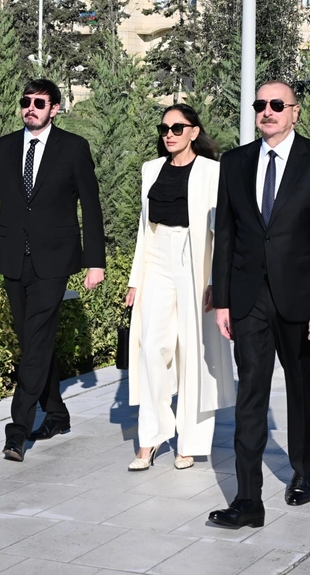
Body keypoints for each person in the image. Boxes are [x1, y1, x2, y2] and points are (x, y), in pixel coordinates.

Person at [207, 80, 310, 529]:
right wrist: (222, 300)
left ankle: (302, 471)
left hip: (302, 300)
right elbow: (226, 234)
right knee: (250, 393)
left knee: (301, 387)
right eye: (260, 105)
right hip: (249, 298)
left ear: (295, 111)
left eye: (276, 104)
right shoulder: (235, 163)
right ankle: (248, 500)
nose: (267, 111)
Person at [0, 79, 106, 463]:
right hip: (13, 258)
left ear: (55, 108)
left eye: (39, 103)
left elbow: (91, 206)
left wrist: (95, 262)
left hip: (54, 261)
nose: (31, 108)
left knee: (37, 339)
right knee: (33, 343)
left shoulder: (73, 148)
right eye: (26, 101)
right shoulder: (3, 147)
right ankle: (56, 413)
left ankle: (18, 429)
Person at [124, 104, 236, 471]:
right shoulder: (151, 169)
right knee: (151, 348)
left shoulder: (212, 172)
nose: (169, 134)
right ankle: (151, 436)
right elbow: (144, 229)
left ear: (194, 131)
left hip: (195, 260)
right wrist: (135, 280)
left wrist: (215, 281)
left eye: (177, 127)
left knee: (194, 350)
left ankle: (190, 442)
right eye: (164, 128)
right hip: (157, 258)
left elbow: (221, 231)